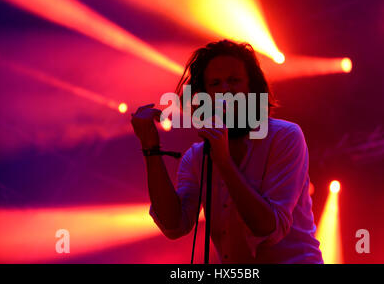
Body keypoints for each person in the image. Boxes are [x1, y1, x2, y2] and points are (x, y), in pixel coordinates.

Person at [131, 39, 323, 263]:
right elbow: (174, 226)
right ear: (203, 95)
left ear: (252, 87)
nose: (225, 91)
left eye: (234, 81)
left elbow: (269, 229)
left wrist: (223, 161)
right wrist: (150, 148)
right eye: (215, 84)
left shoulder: (285, 136)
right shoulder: (196, 157)